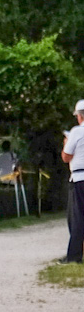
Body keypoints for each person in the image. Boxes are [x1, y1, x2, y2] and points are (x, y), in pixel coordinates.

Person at [59, 100, 84, 264]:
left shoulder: (77, 132)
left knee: (77, 217)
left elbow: (66, 156)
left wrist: (66, 144)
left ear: (80, 116)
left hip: (80, 178)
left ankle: (74, 256)